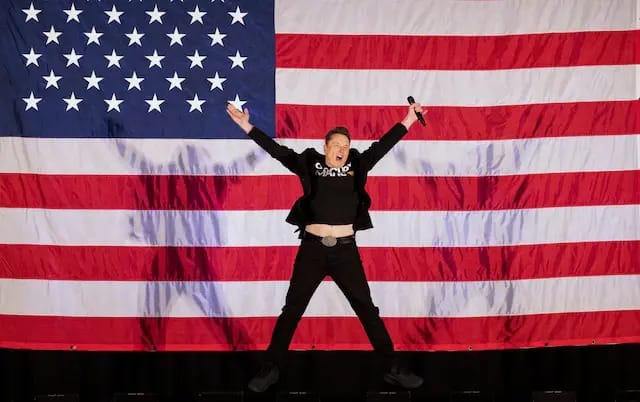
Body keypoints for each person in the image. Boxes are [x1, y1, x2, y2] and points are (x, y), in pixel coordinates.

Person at [226, 102, 426, 393]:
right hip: (313, 250)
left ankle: (392, 368)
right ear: (325, 146)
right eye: (337, 145)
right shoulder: (309, 163)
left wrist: (408, 119)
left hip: (345, 251)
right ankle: (271, 368)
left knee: (366, 308)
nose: (342, 150)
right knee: (293, 308)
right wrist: (247, 126)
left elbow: (383, 146)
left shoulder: (357, 165)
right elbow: (277, 151)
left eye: (346, 146)